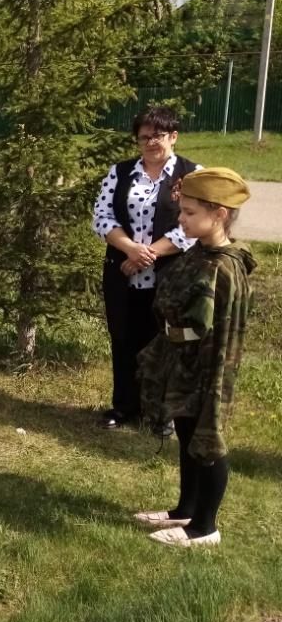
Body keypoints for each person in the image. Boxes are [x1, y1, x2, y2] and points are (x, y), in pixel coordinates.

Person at [134, 168, 254, 548]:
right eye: (181, 211)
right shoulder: (200, 251)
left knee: (207, 439)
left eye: (189, 213)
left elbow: (221, 332)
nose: (180, 220)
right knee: (186, 432)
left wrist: (208, 375)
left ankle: (205, 527)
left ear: (219, 213)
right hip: (183, 359)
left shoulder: (224, 265)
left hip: (206, 367)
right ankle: (185, 509)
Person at [91, 106, 199, 431]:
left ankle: (161, 415)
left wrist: (148, 253)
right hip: (122, 274)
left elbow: (194, 226)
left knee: (165, 344)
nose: (151, 142)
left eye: (159, 135)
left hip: (169, 277)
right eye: (144, 137)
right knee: (123, 340)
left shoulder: (192, 174)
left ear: (174, 136)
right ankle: (124, 407)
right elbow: (102, 216)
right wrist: (130, 249)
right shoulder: (120, 172)